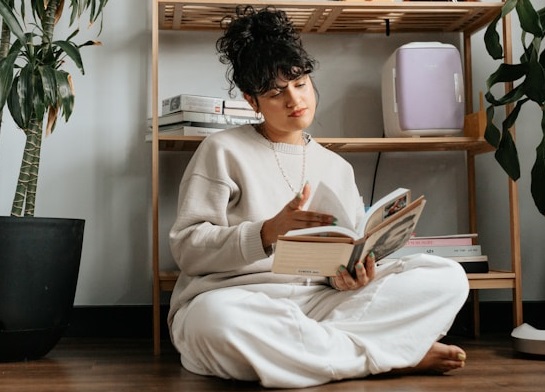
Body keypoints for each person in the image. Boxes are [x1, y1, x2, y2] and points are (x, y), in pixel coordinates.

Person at [168, 5, 469, 389]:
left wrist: (348, 277)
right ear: (251, 100)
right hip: (238, 300)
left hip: (320, 306)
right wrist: (266, 233)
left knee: (447, 277)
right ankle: (391, 355)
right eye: (276, 93)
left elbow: (339, 259)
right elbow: (187, 248)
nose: (294, 100)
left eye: (300, 84)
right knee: (217, 323)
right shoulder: (221, 150)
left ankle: (333, 353)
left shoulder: (336, 167)